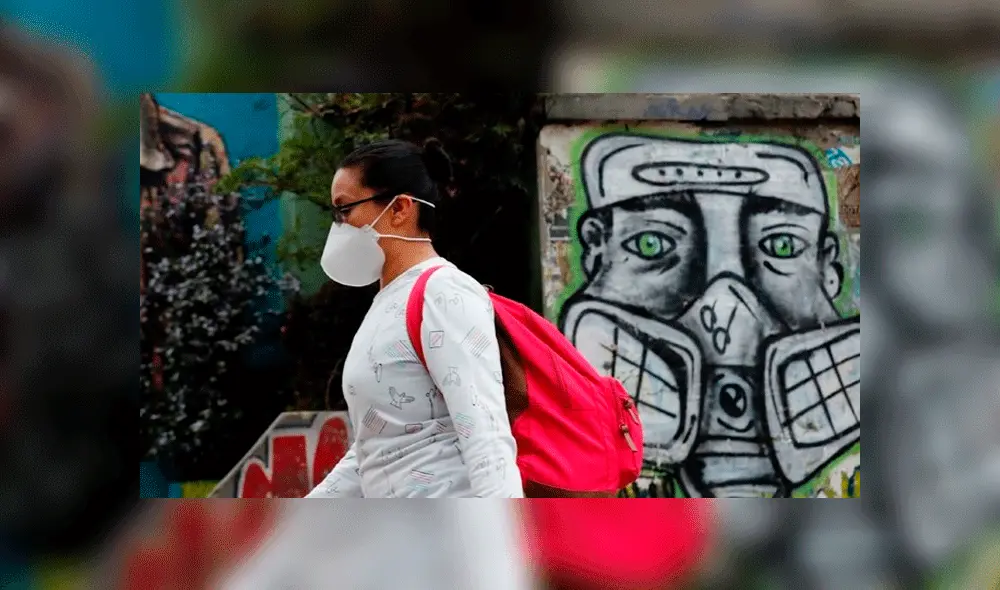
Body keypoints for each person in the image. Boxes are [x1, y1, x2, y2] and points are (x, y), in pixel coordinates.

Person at [306, 138, 523, 498]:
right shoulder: (387, 302)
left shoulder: (444, 293)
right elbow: (379, 448)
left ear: (399, 209)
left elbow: (486, 437)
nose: (338, 225)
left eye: (344, 210)